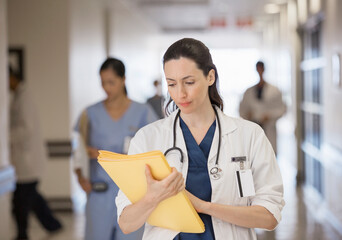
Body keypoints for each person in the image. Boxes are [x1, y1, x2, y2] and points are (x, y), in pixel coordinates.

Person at [115, 38, 285, 240]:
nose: (180, 94)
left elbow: (269, 217)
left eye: (189, 82)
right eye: (171, 84)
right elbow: (126, 223)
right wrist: (153, 197)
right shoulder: (148, 138)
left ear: (210, 76)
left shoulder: (249, 136)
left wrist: (203, 206)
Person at [72, 57, 158, 240]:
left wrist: (106, 155)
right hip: (99, 193)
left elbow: (154, 152)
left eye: (111, 82)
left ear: (123, 80)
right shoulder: (90, 114)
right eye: (103, 83)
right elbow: (78, 151)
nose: (107, 88)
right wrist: (79, 176)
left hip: (133, 194)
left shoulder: (143, 112)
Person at [9, 67, 62, 240]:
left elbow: (26, 130)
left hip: (29, 161)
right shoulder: (18, 96)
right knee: (32, 199)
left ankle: (22, 234)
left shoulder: (25, 98)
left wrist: (5, 136)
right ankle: (54, 225)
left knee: (20, 203)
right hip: (24, 162)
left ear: (12, 77)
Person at [239, 61, 286, 154]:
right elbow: (242, 110)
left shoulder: (274, 91)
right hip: (253, 128)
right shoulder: (248, 92)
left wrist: (269, 116)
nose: (259, 71)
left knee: (269, 155)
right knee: (254, 155)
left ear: (264, 70)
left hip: (269, 128)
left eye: (261, 69)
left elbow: (281, 109)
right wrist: (248, 115)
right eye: (258, 69)